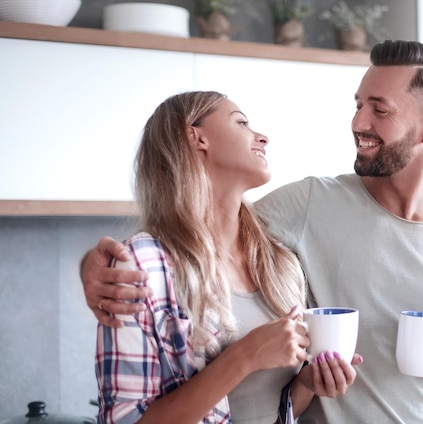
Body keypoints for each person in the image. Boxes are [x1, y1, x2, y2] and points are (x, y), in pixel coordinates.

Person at [81, 41, 423, 423]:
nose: (358, 123)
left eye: (380, 109)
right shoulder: (310, 203)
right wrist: (97, 267)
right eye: (358, 104)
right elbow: (199, 229)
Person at [92, 91, 359, 424]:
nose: (262, 136)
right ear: (197, 136)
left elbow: (266, 408)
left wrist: (308, 384)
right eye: (242, 123)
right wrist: (244, 356)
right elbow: (126, 419)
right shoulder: (144, 265)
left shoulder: (279, 265)